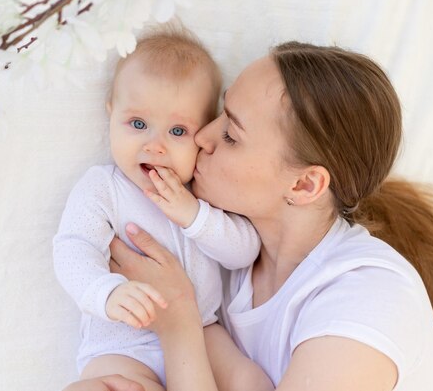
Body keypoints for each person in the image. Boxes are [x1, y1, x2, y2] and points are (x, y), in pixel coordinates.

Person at [66, 41, 433, 391]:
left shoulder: (368, 302)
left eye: (232, 134)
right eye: (218, 112)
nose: (201, 136)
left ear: (304, 185)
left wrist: (179, 320)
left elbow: (186, 324)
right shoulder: (231, 264)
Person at [53, 25, 272, 391]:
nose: (154, 146)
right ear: (111, 115)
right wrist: (105, 293)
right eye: (138, 124)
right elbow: (73, 248)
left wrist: (193, 215)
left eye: (177, 132)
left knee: (250, 380)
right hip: (123, 342)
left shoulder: (201, 193)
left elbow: (244, 252)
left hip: (202, 333)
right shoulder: (103, 187)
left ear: (203, 133)